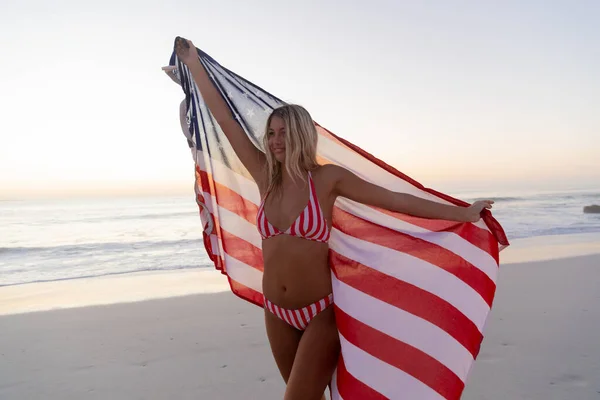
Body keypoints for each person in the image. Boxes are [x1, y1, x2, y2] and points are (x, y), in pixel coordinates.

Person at [174, 37, 493, 400]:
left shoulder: (326, 180)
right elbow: (226, 121)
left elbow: (393, 199)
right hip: (275, 312)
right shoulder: (266, 176)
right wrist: (194, 65)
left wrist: (462, 213)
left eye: (283, 133)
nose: (275, 141)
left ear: (300, 135)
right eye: (272, 133)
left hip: (319, 314)